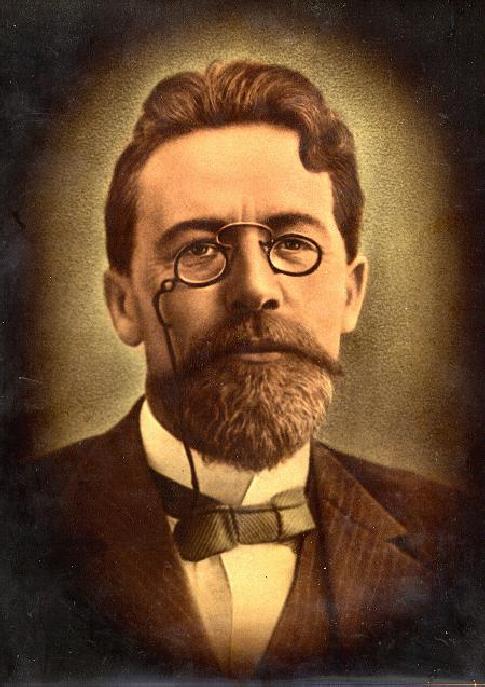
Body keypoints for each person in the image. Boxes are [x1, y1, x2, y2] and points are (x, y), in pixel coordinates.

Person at [15, 61, 468, 681]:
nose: (255, 288)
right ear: (124, 305)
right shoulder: (24, 523)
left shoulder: (457, 538)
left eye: (293, 244)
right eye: (199, 249)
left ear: (351, 293)